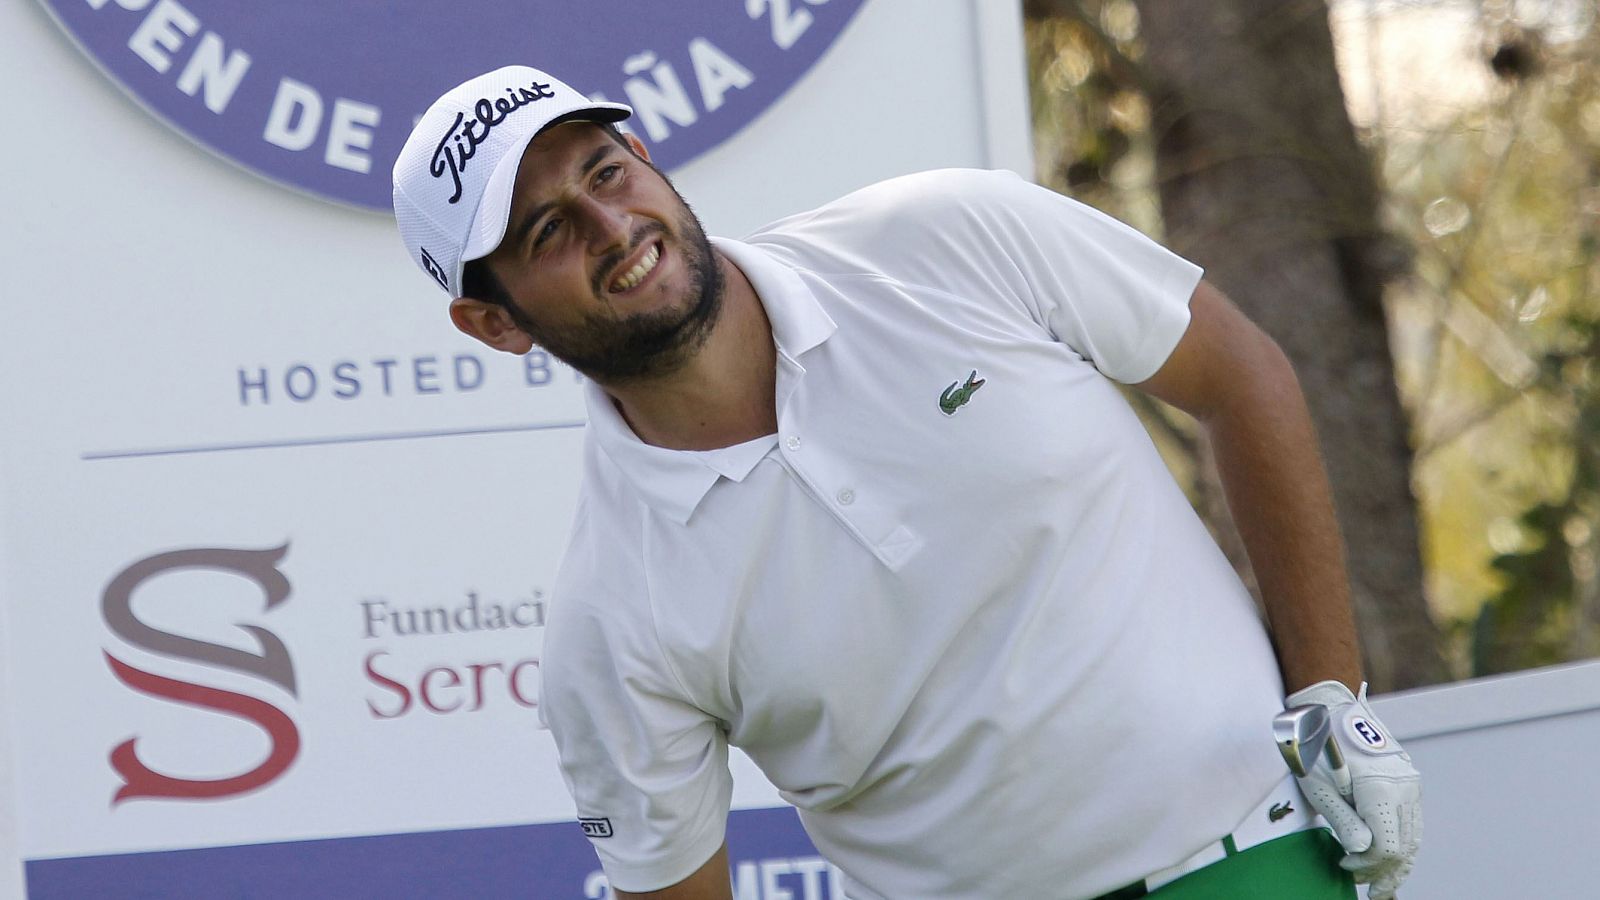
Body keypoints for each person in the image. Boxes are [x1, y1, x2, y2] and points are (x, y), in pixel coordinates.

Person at [390, 66, 1422, 900]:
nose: (610, 228)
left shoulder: (943, 236)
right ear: (494, 322)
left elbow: (1241, 379)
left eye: (604, 173)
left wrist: (1332, 700)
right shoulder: (607, 622)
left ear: (646, 159)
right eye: (546, 232)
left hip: (1265, 861)